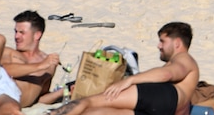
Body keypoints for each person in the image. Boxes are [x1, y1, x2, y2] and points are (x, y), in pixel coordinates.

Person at [45, 22, 198, 115]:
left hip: (166, 97)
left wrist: (129, 80)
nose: (159, 46)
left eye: (162, 41)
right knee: (95, 112)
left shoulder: (183, 58)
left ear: (177, 43)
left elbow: (166, 74)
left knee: (88, 102)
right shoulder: (187, 66)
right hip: (164, 109)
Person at [0, 10, 62, 115]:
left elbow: (40, 99)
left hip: (4, 94)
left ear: (37, 35)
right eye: (16, 32)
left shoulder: (49, 64)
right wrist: (39, 66)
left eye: (22, 32)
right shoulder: (9, 53)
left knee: (13, 110)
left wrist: (61, 92)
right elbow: (5, 70)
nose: (16, 37)